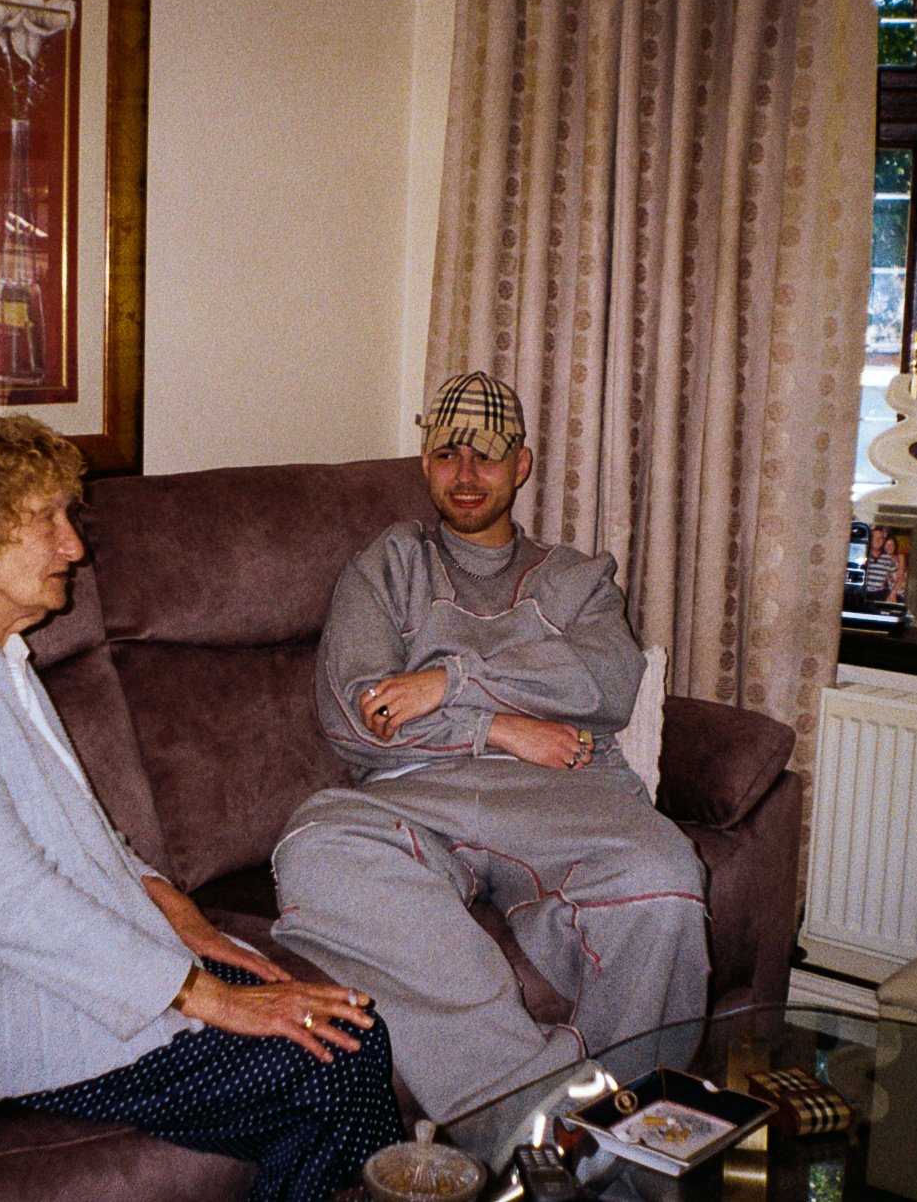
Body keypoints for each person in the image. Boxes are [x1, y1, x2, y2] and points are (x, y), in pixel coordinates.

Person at [0, 414, 403, 1202]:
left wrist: (192, 927)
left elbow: (86, 838)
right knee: (340, 1054)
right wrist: (209, 997)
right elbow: (11, 902)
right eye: (47, 521)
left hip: (75, 967)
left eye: (69, 518)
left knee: (337, 1023)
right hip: (3, 1006)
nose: (75, 546)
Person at [271, 371, 709, 1121]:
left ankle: (607, 1113)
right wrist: (499, 726)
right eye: (446, 455)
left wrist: (449, 680)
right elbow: (355, 715)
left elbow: (606, 682)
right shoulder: (388, 565)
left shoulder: (577, 580)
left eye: (487, 455)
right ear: (423, 463)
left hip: (562, 792)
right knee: (316, 845)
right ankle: (543, 1115)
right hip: (416, 790)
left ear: (522, 465)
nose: (466, 475)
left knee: (665, 879)